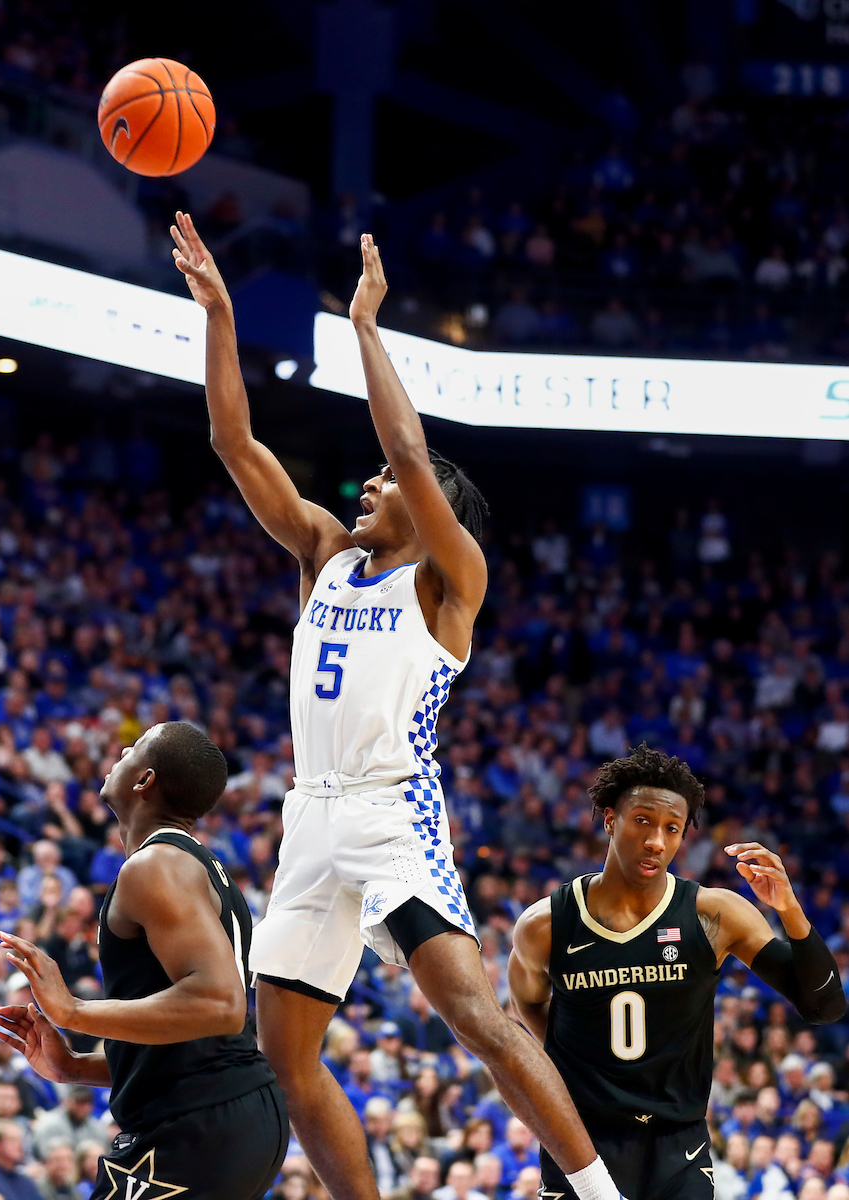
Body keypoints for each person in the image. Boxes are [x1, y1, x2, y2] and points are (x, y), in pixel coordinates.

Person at [170, 211, 625, 1200]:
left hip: (390, 812)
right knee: (284, 1060)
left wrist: (366, 328)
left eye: (382, 484)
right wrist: (219, 314)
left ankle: (599, 1193)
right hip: (310, 814)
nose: (368, 486)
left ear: (432, 517)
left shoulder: (447, 584)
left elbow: (415, 457)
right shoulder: (327, 556)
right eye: (368, 481)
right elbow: (231, 437)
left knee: (471, 1010)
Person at [509, 745, 847, 1200]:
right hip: (581, 1142)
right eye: (643, 820)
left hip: (679, 1144)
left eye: (673, 828)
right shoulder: (545, 925)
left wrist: (790, 911)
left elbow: (825, 1007)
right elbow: (527, 1001)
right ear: (610, 820)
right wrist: (576, 1055)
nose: (657, 841)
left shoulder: (715, 914)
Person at [0, 722, 288, 1200]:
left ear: (144, 780)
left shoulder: (156, 866)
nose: (120, 750)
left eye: (133, 747)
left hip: (197, 1121)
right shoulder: (193, 864)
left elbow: (220, 1005)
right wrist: (74, 1068)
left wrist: (73, 1011)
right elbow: (191, 1038)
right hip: (224, 1113)